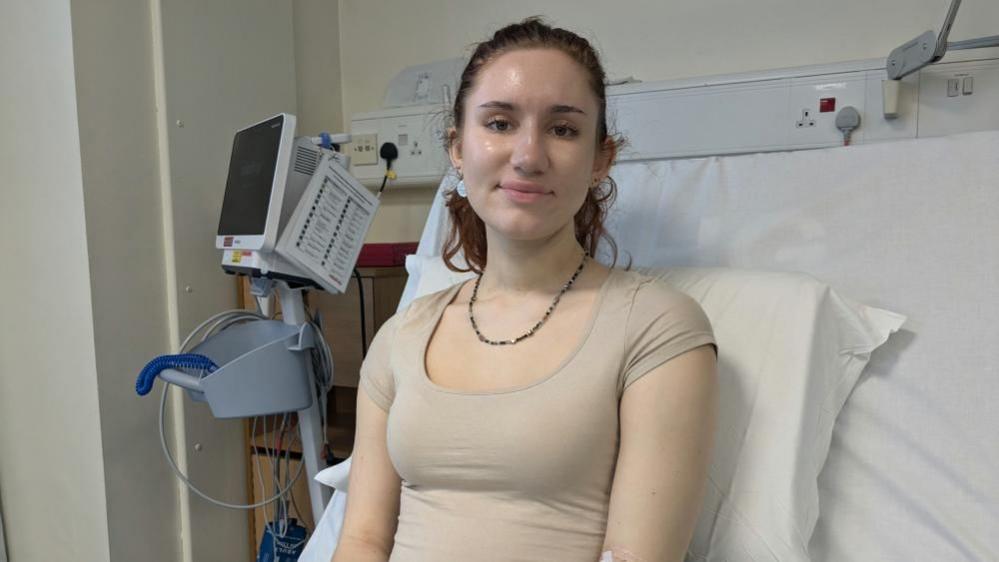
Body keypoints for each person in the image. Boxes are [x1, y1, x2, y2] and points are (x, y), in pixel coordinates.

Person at [332, 17, 718, 562]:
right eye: (499, 123)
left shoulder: (655, 329)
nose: (529, 155)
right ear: (458, 149)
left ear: (600, 159)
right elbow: (362, 542)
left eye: (563, 129)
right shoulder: (403, 336)